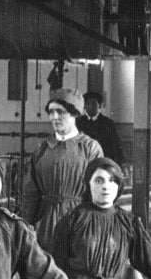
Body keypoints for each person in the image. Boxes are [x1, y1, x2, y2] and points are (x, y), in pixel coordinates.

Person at [19, 94, 100, 244]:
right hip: (45, 224)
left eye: (61, 112)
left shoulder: (90, 148)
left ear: (75, 113)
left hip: (79, 223)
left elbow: (98, 193)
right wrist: (26, 226)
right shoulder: (42, 149)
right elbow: (30, 194)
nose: (54, 117)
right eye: (51, 112)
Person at [75, 89, 123, 165]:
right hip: (83, 162)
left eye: (93, 103)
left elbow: (115, 146)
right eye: (87, 104)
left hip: (102, 161)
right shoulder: (79, 122)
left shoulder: (108, 123)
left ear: (99, 105)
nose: (90, 106)